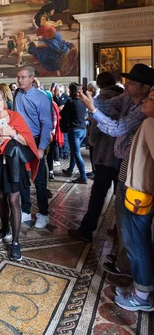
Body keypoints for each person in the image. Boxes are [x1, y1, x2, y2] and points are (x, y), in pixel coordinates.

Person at [78, 63, 154, 278]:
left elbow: (117, 128)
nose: (126, 85)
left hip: (136, 170)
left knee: (132, 220)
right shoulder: (128, 98)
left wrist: (92, 109)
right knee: (123, 215)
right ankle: (124, 260)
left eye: (131, 82)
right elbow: (110, 105)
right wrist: (92, 102)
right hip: (124, 161)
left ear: (146, 87)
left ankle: (136, 276)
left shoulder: (144, 112)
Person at [0, 88, 39, 261]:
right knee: (1, 198)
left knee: (14, 200)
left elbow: (27, 140)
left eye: (0, 99)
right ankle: (4, 229)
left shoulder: (15, 117)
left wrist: (12, 133)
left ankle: (15, 242)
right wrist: (0, 138)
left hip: (15, 162)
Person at [68, 72, 123, 242]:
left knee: (98, 195)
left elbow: (97, 126)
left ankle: (86, 230)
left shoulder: (100, 100)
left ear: (99, 84)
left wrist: (91, 141)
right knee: (120, 195)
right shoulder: (125, 98)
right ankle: (120, 230)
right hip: (123, 156)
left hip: (105, 154)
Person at [114, 87, 154, 313]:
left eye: (151, 99)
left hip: (137, 191)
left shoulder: (150, 124)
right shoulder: (147, 121)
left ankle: (142, 295)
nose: (146, 101)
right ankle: (139, 287)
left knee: (136, 243)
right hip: (136, 187)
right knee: (136, 241)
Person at [13, 66, 52, 229]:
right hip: (19, 140)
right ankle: (26, 210)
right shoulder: (17, 94)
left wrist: (41, 147)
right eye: (18, 77)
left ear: (31, 78)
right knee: (22, 178)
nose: (19, 80)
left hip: (35, 141)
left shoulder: (41, 97)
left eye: (23, 77)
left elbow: (46, 124)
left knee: (39, 179)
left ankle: (43, 213)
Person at [61, 83, 88, 184]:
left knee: (77, 154)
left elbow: (61, 113)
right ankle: (70, 170)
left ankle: (83, 176)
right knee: (74, 151)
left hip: (75, 130)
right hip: (83, 129)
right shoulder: (83, 101)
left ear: (72, 91)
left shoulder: (70, 102)